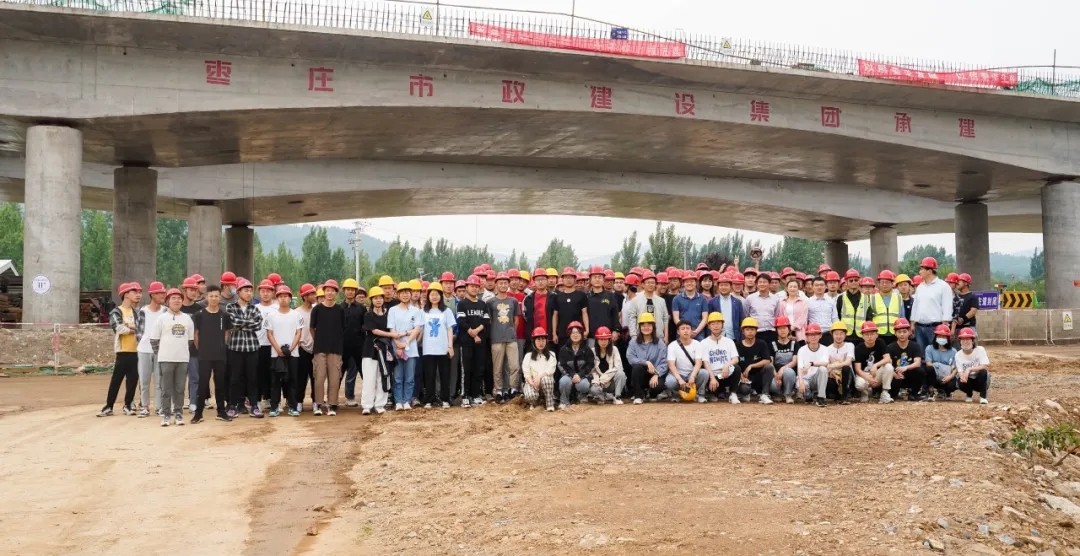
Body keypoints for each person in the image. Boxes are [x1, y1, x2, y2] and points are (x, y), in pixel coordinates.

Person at [150, 288, 195, 427]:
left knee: (180, 388)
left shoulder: (187, 319)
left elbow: (190, 340)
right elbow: (154, 340)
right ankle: (166, 414)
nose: (177, 301)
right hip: (166, 359)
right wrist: (163, 353)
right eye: (173, 298)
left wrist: (180, 351)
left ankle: (178, 413)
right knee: (166, 388)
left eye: (179, 298)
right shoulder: (161, 319)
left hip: (182, 359)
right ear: (168, 301)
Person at [98, 282, 144, 417]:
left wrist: (129, 326)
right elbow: (119, 328)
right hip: (123, 352)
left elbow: (143, 328)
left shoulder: (137, 312)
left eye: (139, 292)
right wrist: (133, 328)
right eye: (134, 292)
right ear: (126, 294)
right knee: (116, 381)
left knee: (133, 381)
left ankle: (128, 405)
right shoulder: (116, 311)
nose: (138, 295)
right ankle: (109, 406)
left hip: (136, 351)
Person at [193, 285, 232, 422]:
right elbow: (196, 335)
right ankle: (198, 413)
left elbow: (226, 334)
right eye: (211, 296)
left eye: (216, 296)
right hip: (204, 356)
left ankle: (221, 412)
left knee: (220, 384)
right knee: (202, 384)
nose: (214, 298)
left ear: (220, 297)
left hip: (220, 355)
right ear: (206, 297)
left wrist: (221, 347)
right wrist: (201, 350)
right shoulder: (199, 315)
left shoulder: (225, 315)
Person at [225, 278, 263, 419]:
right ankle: (233, 406)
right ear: (239, 292)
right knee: (235, 378)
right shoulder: (230, 307)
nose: (249, 293)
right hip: (235, 348)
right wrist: (248, 323)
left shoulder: (255, 308)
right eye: (246, 290)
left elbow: (258, 325)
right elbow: (233, 323)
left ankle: (254, 406)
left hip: (252, 348)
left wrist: (241, 325)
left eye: (250, 291)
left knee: (252, 378)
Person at [311, 279, 346, 416]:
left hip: (336, 349)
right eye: (327, 290)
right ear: (323, 292)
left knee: (334, 378)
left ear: (336, 293)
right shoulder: (317, 309)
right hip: (320, 348)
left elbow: (342, 328)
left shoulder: (340, 310)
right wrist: (319, 340)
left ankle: (332, 404)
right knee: (319, 378)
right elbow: (312, 328)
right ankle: (318, 404)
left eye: (332, 290)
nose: (330, 293)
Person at [265, 285, 302, 417]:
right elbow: (269, 334)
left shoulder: (296, 315)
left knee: (292, 380)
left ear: (290, 298)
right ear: (277, 298)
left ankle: (293, 406)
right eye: (280, 296)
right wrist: (278, 349)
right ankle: (274, 407)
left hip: (293, 354)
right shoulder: (271, 315)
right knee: (275, 382)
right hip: (276, 354)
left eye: (286, 296)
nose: (283, 298)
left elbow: (298, 333)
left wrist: (290, 349)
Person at [420, 283, 456, 409]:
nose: (434, 297)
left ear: (441, 296)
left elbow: (450, 329)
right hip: (428, 348)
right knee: (429, 375)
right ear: (428, 296)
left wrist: (450, 346)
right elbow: (420, 329)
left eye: (437, 294)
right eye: (432, 294)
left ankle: (445, 399)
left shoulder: (446, 311)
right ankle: (429, 399)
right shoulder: (423, 312)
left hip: (443, 348)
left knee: (444, 375)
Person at [487, 273, 521, 404]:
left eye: (505, 283)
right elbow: (489, 321)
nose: (503, 285)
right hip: (496, 338)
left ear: (508, 284)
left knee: (514, 365)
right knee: (498, 366)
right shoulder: (490, 302)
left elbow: (516, 320)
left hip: (511, 338)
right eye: (500, 283)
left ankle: (512, 388)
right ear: (496, 284)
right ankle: (499, 390)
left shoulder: (513, 301)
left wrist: (512, 331)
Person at [388, 282, 422, 411]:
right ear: (398, 295)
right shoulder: (393, 310)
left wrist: (406, 343)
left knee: (409, 377)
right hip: (396, 348)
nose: (405, 295)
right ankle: (398, 401)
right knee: (397, 377)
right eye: (402, 292)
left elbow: (417, 329)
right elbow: (391, 328)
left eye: (407, 292)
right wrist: (398, 344)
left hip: (411, 348)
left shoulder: (416, 311)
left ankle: (407, 400)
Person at [457, 275, 490, 407]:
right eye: (472, 286)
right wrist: (473, 333)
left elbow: (486, 320)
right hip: (466, 342)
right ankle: (465, 395)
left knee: (479, 368)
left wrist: (477, 331)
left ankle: (476, 395)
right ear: (467, 287)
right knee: (467, 369)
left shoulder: (482, 304)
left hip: (480, 341)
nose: (474, 288)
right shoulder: (462, 304)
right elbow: (461, 321)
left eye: (476, 286)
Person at [361, 286, 393, 415]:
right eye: (375, 298)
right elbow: (374, 331)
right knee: (369, 378)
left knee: (383, 377)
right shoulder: (368, 315)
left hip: (384, 349)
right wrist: (392, 335)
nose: (378, 300)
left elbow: (391, 328)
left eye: (380, 298)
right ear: (371, 300)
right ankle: (367, 405)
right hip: (370, 350)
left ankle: (380, 404)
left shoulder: (388, 315)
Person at [909, 257, 954, 351]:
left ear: (929, 271)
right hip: (919, 327)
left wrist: (945, 325)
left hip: (935, 328)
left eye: (922, 269)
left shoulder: (943, 286)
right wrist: (912, 323)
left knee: (936, 352)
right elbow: (915, 306)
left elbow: (947, 306)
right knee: (921, 353)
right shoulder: (920, 287)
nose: (920, 272)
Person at [136, 281, 166, 417]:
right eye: (159, 293)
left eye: (163, 293)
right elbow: (138, 331)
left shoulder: (165, 311)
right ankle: (145, 407)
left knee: (160, 381)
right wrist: (142, 344)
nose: (162, 295)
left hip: (160, 351)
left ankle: (159, 407)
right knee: (144, 380)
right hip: (144, 350)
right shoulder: (143, 311)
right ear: (152, 295)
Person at [626, 312, 668, 404]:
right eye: (643, 325)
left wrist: (657, 375)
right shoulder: (633, 342)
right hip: (641, 374)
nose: (646, 328)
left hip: (655, 373)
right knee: (637, 368)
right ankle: (638, 396)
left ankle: (651, 394)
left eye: (649, 325)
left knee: (658, 386)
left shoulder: (660, 343)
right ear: (640, 327)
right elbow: (631, 358)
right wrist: (646, 362)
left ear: (653, 327)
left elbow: (664, 362)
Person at [701, 312, 742, 404]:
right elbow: (705, 362)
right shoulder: (704, 343)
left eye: (718, 323)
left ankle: (733, 394)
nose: (716, 326)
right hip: (713, 377)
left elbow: (735, 359)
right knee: (713, 387)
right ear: (709, 326)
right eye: (713, 324)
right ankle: (713, 393)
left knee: (737, 368)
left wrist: (726, 365)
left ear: (722, 325)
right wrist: (712, 378)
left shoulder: (729, 341)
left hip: (726, 374)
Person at [666, 320, 710, 402]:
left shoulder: (697, 344)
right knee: (670, 382)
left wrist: (692, 376)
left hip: (691, 374)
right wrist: (679, 379)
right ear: (678, 332)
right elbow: (671, 365)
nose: (685, 331)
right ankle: (677, 395)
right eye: (682, 329)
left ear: (691, 331)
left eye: (688, 328)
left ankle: (700, 395)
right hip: (678, 375)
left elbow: (698, 363)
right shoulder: (672, 345)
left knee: (704, 373)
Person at [736, 317, 776, 404]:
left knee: (769, 367)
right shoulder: (737, 345)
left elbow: (767, 360)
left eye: (752, 329)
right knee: (744, 389)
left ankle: (765, 394)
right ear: (743, 331)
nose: (750, 332)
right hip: (745, 378)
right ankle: (747, 393)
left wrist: (751, 366)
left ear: (756, 331)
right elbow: (735, 364)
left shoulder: (761, 343)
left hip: (759, 377)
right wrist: (741, 376)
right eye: (747, 329)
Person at [340, 278, 367, 408]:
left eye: (352, 290)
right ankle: (338, 400)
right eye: (348, 290)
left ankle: (368, 400)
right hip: (342, 346)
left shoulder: (362, 309)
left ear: (355, 291)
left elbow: (365, 326)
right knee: (338, 374)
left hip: (359, 346)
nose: (350, 292)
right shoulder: (339, 308)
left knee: (365, 373)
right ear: (344, 291)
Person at [852, 321, 894, 404]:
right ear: (862, 336)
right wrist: (867, 377)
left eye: (872, 334)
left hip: (877, 373)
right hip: (864, 374)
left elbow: (887, 358)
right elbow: (857, 369)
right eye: (866, 334)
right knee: (860, 385)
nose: (869, 337)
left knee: (889, 366)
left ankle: (885, 393)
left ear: (876, 335)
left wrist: (875, 365)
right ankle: (865, 393)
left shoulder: (880, 342)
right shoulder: (859, 348)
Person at [885, 318, 927, 401]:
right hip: (896, 375)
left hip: (909, 374)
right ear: (895, 333)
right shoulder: (890, 347)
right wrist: (894, 374)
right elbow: (888, 364)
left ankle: (913, 393)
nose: (902, 334)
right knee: (891, 378)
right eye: (899, 332)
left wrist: (906, 368)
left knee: (920, 371)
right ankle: (893, 394)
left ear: (909, 332)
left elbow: (917, 362)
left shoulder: (915, 346)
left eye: (904, 332)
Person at [624, 269, 670, 344]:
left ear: (655, 284)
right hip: (640, 337)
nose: (651, 285)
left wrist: (666, 336)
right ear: (643, 284)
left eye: (652, 283)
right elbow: (632, 318)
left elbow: (665, 319)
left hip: (658, 337)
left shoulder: (661, 301)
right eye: (648, 282)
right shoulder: (635, 300)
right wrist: (634, 336)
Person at [557, 321, 595, 408]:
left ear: (581, 334)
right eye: (573, 333)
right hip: (568, 375)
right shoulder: (564, 350)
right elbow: (562, 365)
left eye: (578, 332)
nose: (575, 335)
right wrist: (573, 375)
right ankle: (564, 401)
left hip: (582, 376)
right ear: (569, 334)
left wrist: (580, 375)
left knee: (584, 385)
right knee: (564, 381)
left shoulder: (587, 349)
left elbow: (590, 365)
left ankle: (581, 395)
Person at [254, 279, 277, 412]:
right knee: (258, 374)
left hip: (274, 346)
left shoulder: (277, 308)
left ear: (273, 292)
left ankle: (270, 399)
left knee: (272, 374)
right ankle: (256, 401)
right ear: (259, 293)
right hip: (259, 345)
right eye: (263, 291)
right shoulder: (254, 308)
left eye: (268, 291)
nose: (266, 293)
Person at [522, 327, 558, 411]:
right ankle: (536, 402)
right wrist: (532, 383)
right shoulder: (528, 356)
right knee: (531, 396)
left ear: (546, 341)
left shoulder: (552, 355)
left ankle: (549, 404)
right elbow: (526, 373)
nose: (541, 343)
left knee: (546, 379)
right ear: (534, 341)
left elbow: (551, 370)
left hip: (546, 383)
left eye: (543, 340)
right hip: (532, 383)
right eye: (538, 340)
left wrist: (539, 377)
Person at [294, 284, 317, 413]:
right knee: (301, 377)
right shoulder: (297, 312)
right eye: (312, 294)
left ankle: (315, 402)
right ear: (305, 296)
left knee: (315, 377)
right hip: (302, 348)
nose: (314, 296)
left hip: (316, 348)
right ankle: (299, 402)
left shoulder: (317, 310)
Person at [551, 267, 589, 348]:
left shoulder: (581, 295)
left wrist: (587, 329)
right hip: (562, 333)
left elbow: (584, 313)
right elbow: (555, 315)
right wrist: (554, 333)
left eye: (571, 277)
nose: (568, 280)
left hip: (578, 333)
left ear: (575, 279)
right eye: (566, 277)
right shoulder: (557, 297)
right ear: (562, 279)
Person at [867, 270, 905, 346]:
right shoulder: (872, 298)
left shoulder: (898, 297)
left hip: (895, 334)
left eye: (887, 282)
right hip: (878, 334)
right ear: (878, 284)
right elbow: (868, 318)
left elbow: (902, 316)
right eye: (882, 282)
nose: (884, 284)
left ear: (892, 283)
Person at [768, 316, 801, 404]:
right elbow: (770, 362)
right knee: (771, 384)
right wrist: (775, 375)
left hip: (790, 374)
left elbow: (794, 361)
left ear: (789, 329)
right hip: (776, 373)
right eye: (780, 328)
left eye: (784, 328)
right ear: (776, 330)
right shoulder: (772, 344)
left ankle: (788, 394)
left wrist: (783, 369)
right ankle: (778, 394)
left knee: (788, 371)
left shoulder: (794, 344)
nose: (782, 330)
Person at [796, 323, 831, 407]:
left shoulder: (825, 349)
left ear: (820, 335)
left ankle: (821, 397)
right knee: (801, 387)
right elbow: (800, 367)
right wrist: (801, 382)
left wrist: (811, 363)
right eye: (810, 335)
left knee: (823, 369)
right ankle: (809, 394)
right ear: (807, 337)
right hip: (805, 379)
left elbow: (826, 363)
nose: (813, 337)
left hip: (817, 379)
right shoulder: (802, 350)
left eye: (816, 334)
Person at [586, 266, 621, 349]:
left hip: (608, 336)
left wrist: (616, 330)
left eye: (599, 277)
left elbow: (615, 315)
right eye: (595, 277)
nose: (597, 279)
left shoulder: (610, 296)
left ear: (603, 279)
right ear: (590, 280)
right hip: (591, 337)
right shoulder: (586, 297)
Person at [588, 327, 626, 404]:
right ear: (597, 340)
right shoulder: (592, 351)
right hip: (599, 383)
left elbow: (618, 367)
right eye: (601, 339)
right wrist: (597, 381)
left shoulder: (614, 349)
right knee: (593, 390)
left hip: (611, 382)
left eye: (605, 339)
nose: (603, 342)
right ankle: (605, 396)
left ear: (609, 340)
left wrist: (605, 378)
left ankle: (617, 397)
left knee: (621, 374)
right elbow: (592, 371)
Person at [954, 327, 990, 404]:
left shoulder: (980, 349)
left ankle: (983, 397)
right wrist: (962, 377)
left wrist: (969, 369)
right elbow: (960, 371)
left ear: (973, 341)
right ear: (960, 341)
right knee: (960, 381)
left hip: (980, 379)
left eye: (968, 339)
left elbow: (985, 366)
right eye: (963, 339)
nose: (965, 342)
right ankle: (969, 394)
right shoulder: (958, 355)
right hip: (968, 380)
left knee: (983, 372)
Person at [924, 324, 959, 400]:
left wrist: (950, 377)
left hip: (947, 376)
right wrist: (938, 373)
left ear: (948, 338)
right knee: (928, 369)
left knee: (951, 385)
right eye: (939, 336)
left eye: (944, 337)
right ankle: (930, 391)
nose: (941, 338)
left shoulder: (953, 351)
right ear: (935, 337)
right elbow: (929, 364)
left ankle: (946, 392)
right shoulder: (929, 348)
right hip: (935, 376)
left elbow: (955, 368)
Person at [824, 321, 855, 404]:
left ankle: (845, 396)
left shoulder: (850, 345)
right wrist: (834, 374)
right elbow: (827, 366)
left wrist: (833, 366)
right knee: (826, 375)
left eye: (841, 333)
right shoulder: (827, 349)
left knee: (846, 368)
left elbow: (848, 362)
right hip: (834, 376)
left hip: (847, 376)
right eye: (836, 334)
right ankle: (836, 395)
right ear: (832, 334)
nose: (839, 336)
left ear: (845, 334)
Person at [707, 273, 745, 342]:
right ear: (718, 286)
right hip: (717, 337)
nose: (723, 287)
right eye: (721, 285)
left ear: (731, 286)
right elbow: (709, 321)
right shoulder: (712, 302)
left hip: (734, 337)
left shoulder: (737, 302)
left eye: (726, 285)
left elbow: (742, 321)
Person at [743, 274, 780, 345]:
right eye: (760, 282)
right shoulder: (750, 298)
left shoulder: (775, 299)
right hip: (755, 333)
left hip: (771, 332)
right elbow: (746, 315)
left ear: (769, 284)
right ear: (756, 284)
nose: (762, 284)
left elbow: (776, 315)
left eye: (764, 282)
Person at [672, 273, 708, 341]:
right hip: (682, 334)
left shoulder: (703, 299)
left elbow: (705, 318)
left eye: (692, 281)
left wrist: (696, 331)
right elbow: (676, 318)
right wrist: (685, 330)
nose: (689, 283)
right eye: (687, 282)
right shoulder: (676, 299)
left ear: (696, 283)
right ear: (683, 284)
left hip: (699, 334)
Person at [837, 270, 870, 345]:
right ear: (846, 282)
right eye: (851, 280)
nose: (853, 282)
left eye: (856, 280)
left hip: (861, 336)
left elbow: (868, 317)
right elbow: (838, 316)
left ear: (859, 281)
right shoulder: (841, 298)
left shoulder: (866, 298)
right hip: (846, 336)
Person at [952, 273, 978, 338]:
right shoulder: (955, 297)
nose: (957, 283)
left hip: (969, 327)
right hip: (956, 327)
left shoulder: (972, 296)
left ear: (966, 283)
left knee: (971, 343)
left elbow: (973, 311)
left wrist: (963, 319)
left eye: (959, 281)